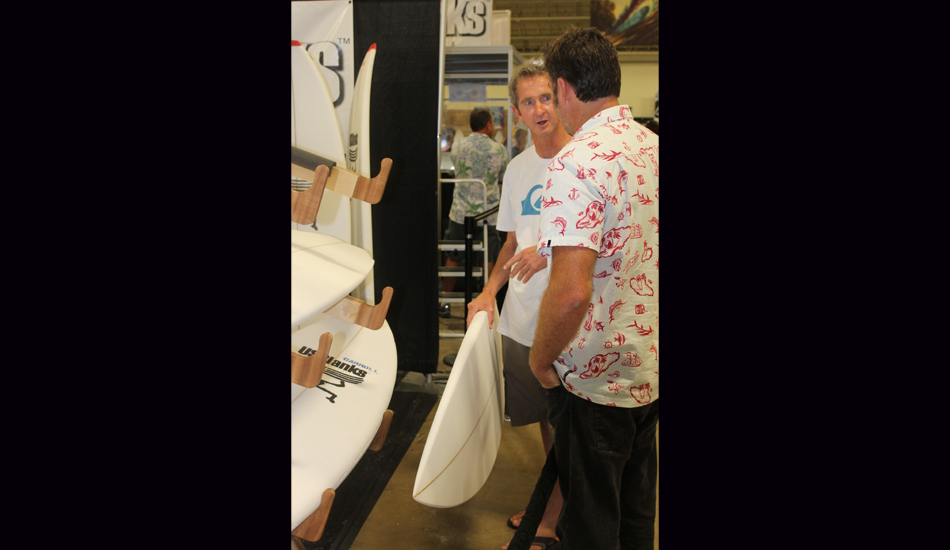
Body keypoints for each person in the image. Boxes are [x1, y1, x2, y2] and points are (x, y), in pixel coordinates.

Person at [529, 27, 659, 550]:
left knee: (588, 526)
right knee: (634, 517)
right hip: (647, 369)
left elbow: (570, 294)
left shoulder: (575, 163)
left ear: (563, 89)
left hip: (595, 378)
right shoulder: (652, 147)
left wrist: (541, 362)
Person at [465, 61, 572, 550]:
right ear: (517, 112)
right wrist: (490, 291)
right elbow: (511, 244)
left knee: (574, 417)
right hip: (524, 316)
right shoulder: (517, 169)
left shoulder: (582, 159)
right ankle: (558, 504)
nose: (539, 109)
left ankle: (557, 510)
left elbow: (599, 235)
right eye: (528, 102)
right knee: (547, 418)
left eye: (545, 97)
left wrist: (546, 249)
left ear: (560, 96)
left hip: (573, 314)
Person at [442, 108, 508, 310]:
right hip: (487, 213)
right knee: (488, 256)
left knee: (454, 254)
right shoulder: (498, 150)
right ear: (488, 125)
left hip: (460, 212)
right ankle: (488, 300)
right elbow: (502, 177)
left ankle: (445, 300)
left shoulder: (458, 146)